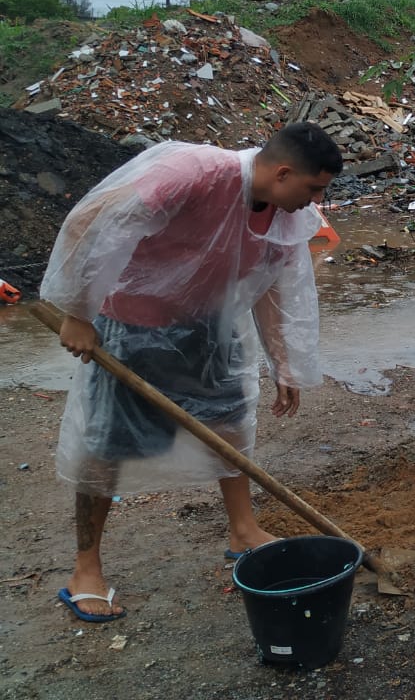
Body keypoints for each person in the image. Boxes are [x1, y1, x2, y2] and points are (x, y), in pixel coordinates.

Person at [41, 122, 343, 621]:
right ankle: (85, 569)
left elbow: (274, 286)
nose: (315, 201)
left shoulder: (289, 216)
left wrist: (283, 364)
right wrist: (76, 311)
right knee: (105, 446)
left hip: (208, 327)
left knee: (230, 421)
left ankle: (243, 529)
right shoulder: (195, 172)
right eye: (313, 188)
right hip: (133, 323)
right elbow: (93, 218)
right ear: (284, 172)